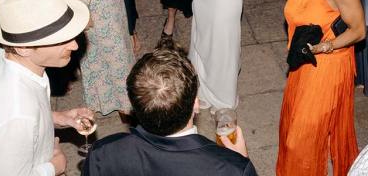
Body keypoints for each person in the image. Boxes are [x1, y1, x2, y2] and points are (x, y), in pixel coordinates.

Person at [255, 0, 365, 174]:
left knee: (299, 140)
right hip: (303, 62)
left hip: (328, 66)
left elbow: (359, 30)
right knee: (294, 130)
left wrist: (326, 46)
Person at [0, 0, 95, 176]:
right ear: (23, 48)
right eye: (61, 39)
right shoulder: (16, 115)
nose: (74, 46)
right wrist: (53, 167)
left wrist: (57, 118)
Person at [82, 47, 258, 176]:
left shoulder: (102, 153)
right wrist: (240, 160)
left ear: (134, 107)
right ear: (196, 104)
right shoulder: (231, 169)